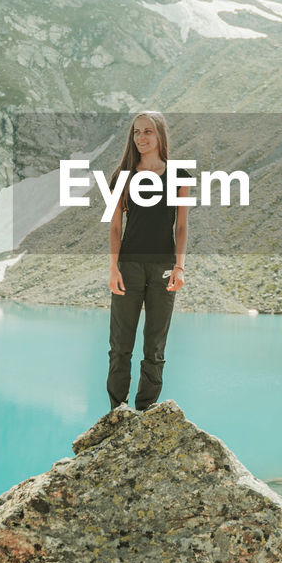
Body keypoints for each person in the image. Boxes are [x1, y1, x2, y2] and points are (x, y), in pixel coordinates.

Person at [106, 111, 188, 411]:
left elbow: (181, 226)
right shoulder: (123, 175)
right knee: (120, 348)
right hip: (128, 267)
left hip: (164, 268)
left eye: (148, 132)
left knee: (155, 348)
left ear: (160, 135)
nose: (141, 137)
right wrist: (113, 267)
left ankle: (144, 411)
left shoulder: (179, 175)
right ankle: (117, 412)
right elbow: (115, 226)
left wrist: (179, 266)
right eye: (136, 132)